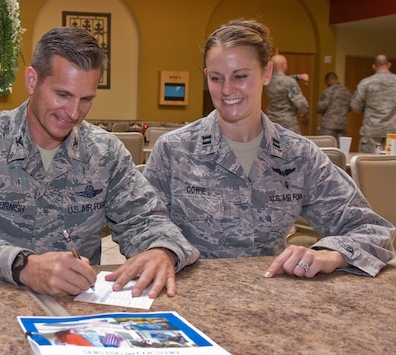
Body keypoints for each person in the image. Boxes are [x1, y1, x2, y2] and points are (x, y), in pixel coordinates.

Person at [0, 26, 199, 298]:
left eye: (86, 99)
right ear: (32, 81)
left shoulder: (105, 153)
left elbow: (146, 219)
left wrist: (161, 250)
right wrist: (23, 265)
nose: (73, 112)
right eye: (63, 95)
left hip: (76, 309)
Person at [144, 19, 395, 278]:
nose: (227, 90)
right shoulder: (174, 150)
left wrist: (330, 253)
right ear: (207, 76)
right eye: (217, 78)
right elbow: (143, 224)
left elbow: (373, 230)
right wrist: (162, 250)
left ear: (267, 73)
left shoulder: (297, 155)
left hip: (270, 295)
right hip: (190, 294)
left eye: (241, 76)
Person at [349, 54, 396, 153]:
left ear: (374, 66)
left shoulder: (366, 83)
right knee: (392, 165)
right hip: (393, 133)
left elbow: (356, 106)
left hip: (371, 132)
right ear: (389, 65)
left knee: (369, 165)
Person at [264, 53, 310, 133]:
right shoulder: (289, 82)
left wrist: (298, 77)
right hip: (288, 123)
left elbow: (281, 80)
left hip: (271, 121)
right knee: (295, 144)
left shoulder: (267, 81)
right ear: (283, 65)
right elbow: (301, 103)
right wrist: (305, 112)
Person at [316, 71, 352, 140]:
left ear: (328, 80)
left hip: (328, 125)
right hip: (342, 125)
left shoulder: (328, 91)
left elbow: (321, 107)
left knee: (327, 147)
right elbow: (350, 107)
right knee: (340, 148)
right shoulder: (346, 91)